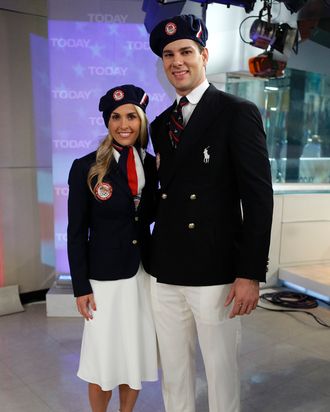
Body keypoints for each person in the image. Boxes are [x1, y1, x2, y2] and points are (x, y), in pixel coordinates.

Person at [148, 14, 274, 412]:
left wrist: (250, 273)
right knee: (174, 373)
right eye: (169, 54)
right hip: (166, 269)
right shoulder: (160, 124)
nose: (177, 61)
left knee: (220, 373)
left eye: (186, 51)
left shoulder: (237, 112)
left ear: (204, 55)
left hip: (214, 270)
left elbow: (258, 199)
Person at [67, 84, 158, 412]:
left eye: (132, 116)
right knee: (103, 359)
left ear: (142, 121)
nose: (124, 124)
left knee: (132, 353)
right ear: (107, 122)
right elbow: (75, 233)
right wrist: (81, 287)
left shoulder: (151, 164)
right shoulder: (86, 167)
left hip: (141, 276)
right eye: (116, 117)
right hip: (103, 280)